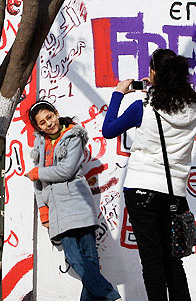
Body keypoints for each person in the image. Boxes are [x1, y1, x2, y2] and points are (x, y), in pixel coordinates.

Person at [102, 48, 196, 301]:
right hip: (174, 193)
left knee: (153, 263)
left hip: (142, 190)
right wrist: (155, 91)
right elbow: (171, 109)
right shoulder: (193, 107)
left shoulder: (142, 107)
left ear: (154, 73)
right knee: (173, 262)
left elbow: (109, 129)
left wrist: (118, 94)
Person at [24, 100, 121, 301]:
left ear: (56, 113)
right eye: (42, 123)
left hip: (79, 203)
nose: (48, 124)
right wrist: (43, 211)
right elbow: (39, 185)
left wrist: (37, 172)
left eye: (49, 117)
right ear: (38, 127)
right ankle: (111, 295)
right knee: (74, 257)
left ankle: (110, 295)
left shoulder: (73, 137)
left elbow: (66, 170)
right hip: (58, 210)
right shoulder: (41, 146)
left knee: (90, 260)